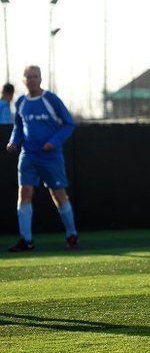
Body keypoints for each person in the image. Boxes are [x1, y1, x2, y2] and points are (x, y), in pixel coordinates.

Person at [6, 65, 78, 252]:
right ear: (23, 80)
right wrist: (14, 142)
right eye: (28, 76)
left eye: (35, 76)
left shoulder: (50, 100)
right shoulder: (21, 102)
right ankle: (26, 240)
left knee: (58, 195)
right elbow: (19, 127)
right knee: (25, 193)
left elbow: (69, 124)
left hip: (51, 157)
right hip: (28, 156)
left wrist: (53, 142)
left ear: (40, 78)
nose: (32, 79)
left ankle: (71, 235)